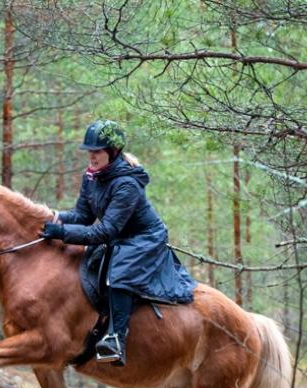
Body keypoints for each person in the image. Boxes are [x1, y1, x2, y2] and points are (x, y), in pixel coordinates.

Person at [40, 120, 197, 366]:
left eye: (97, 151)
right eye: (89, 150)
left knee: (118, 274)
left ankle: (116, 338)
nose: (91, 156)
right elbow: (83, 216)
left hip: (143, 237)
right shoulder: (91, 177)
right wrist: (52, 217)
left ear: (112, 152)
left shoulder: (127, 184)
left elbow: (105, 230)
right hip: (118, 235)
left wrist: (61, 232)